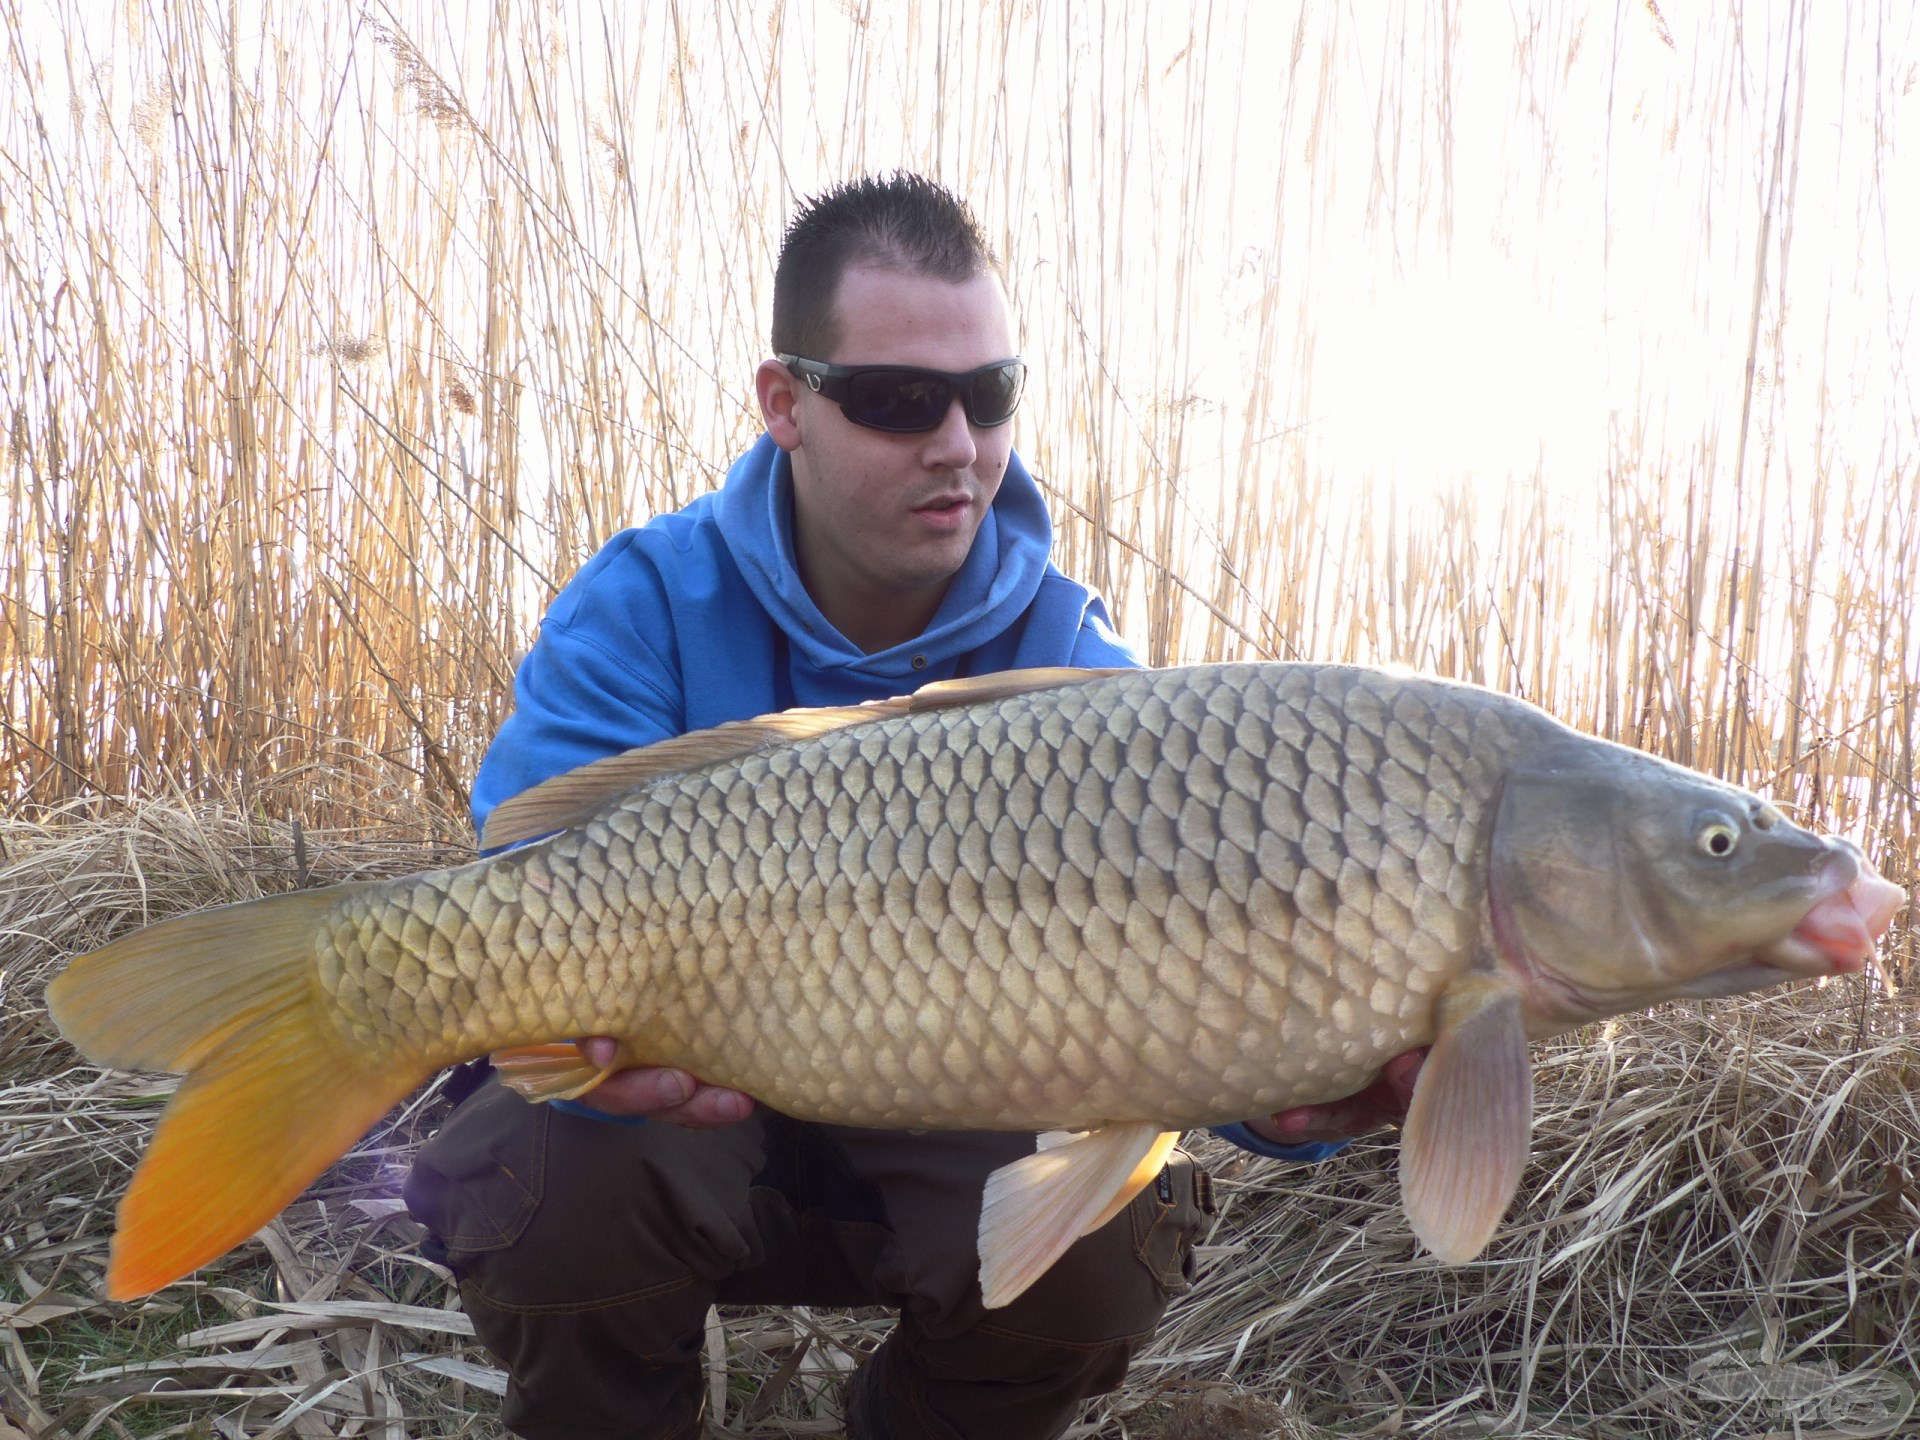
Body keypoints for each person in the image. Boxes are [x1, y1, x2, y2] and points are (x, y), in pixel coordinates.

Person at [404, 172, 1425, 1440]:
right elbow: (528, 882)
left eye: (990, 394)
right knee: (559, 1170)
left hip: (932, 1139)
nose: (958, 443)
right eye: (898, 400)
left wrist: (1286, 1101)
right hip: (677, 1130)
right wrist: (563, 1051)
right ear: (786, 402)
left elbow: (1164, 999)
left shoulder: (1081, 670)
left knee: (1111, 1233)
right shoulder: (644, 603)